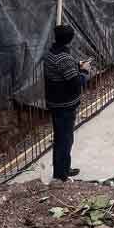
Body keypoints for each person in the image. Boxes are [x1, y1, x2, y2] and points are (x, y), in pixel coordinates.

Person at [44, 25, 90, 182]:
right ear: (69, 40)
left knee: (61, 139)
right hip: (64, 105)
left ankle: (63, 169)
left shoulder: (51, 53)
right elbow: (76, 83)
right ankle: (61, 175)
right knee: (65, 140)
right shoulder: (64, 58)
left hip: (56, 103)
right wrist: (84, 71)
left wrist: (76, 66)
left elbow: (62, 72)